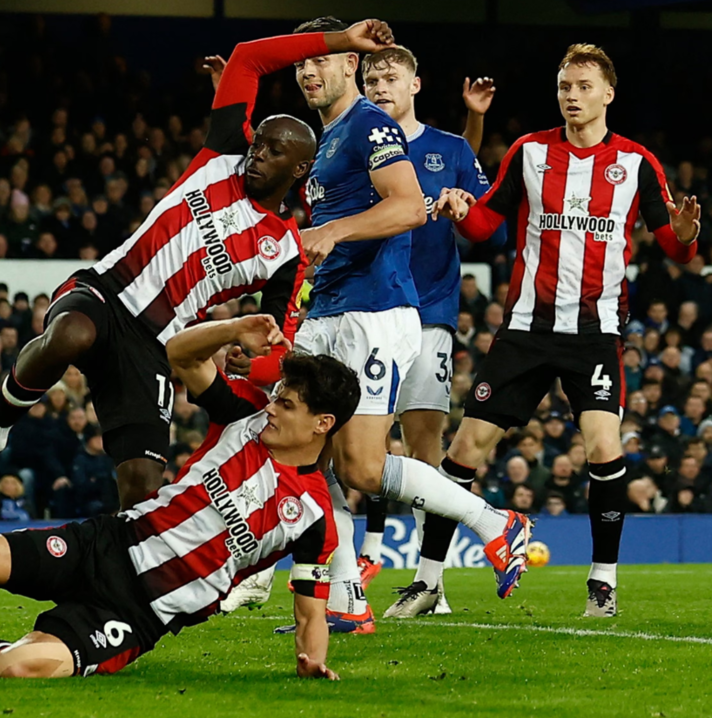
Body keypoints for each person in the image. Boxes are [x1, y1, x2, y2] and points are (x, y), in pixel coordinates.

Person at [0, 21, 393, 517]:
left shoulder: (286, 250)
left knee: (140, 489)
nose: (257, 155)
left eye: (272, 152)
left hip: (156, 344)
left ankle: (115, 583)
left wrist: (257, 361)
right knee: (72, 334)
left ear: (299, 170)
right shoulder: (224, 150)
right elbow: (248, 57)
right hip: (108, 290)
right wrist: (345, 41)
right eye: (258, 143)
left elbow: (279, 337)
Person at [0, 314, 350, 680]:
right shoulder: (244, 418)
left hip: (139, 613)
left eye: (289, 403)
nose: (273, 406)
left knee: (26, 667)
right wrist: (236, 326)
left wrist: (312, 662)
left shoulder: (316, 517)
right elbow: (178, 355)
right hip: (108, 543)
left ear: (322, 423)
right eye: (276, 395)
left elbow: (311, 607)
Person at [226, 17, 531, 632]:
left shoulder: (371, 123)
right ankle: (347, 599)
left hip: (375, 310)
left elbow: (407, 204)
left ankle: (496, 522)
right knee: (304, 455)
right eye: (302, 65)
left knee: (363, 468)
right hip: (331, 309)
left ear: (348, 66)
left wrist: (333, 230)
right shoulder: (325, 139)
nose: (310, 71)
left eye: (323, 60)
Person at [435, 44, 703, 617]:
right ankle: (428, 583)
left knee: (604, 447)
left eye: (583, 86)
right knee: (464, 449)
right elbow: (486, 224)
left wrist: (684, 232)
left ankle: (602, 583)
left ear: (608, 93)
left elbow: (680, 252)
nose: (572, 96)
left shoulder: (636, 164)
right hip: (526, 329)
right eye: (564, 87)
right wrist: (462, 210)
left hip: (595, 333)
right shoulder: (530, 152)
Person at [350, 45, 507, 617]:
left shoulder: (450, 149)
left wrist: (464, 204)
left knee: (423, 447)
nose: (380, 85)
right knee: (356, 443)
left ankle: (429, 580)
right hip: (366, 311)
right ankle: (354, 562)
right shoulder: (353, 145)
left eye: (391, 76)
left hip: (429, 313)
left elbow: (488, 226)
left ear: (416, 84)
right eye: (371, 77)